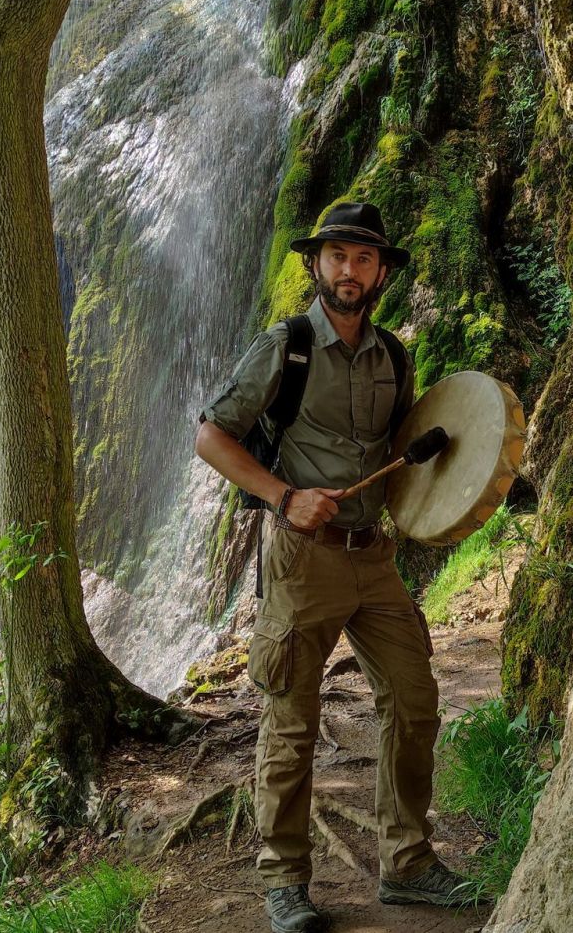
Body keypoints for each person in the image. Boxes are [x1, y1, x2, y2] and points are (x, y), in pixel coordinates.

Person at [195, 202, 478, 933]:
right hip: (302, 561)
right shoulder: (285, 348)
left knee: (414, 700)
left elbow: (415, 452)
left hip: (374, 558)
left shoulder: (395, 355)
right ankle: (285, 881)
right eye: (336, 257)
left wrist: (481, 481)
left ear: (380, 273)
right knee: (291, 718)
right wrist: (283, 497)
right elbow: (211, 437)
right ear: (316, 265)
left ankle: (408, 865)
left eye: (363, 259)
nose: (348, 271)